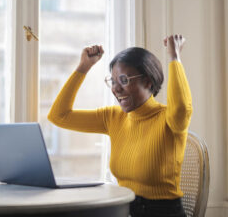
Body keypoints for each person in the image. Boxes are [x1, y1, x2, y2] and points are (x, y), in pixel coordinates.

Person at [47, 34, 192, 217]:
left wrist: (174, 58)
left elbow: (181, 108)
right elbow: (58, 116)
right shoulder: (113, 117)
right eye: (113, 82)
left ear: (148, 81)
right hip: (124, 210)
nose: (116, 89)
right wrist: (83, 67)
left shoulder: (169, 118)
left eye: (124, 80)